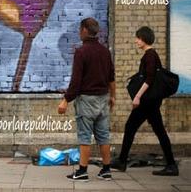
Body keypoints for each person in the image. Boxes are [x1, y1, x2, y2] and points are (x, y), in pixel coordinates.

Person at [111, 26, 179, 176]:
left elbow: (149, 79)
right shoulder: (151, 55)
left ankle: (122, 161)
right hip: (151, 102)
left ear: (143, 39)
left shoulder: (150, 55)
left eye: (137, 38)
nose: (136, 41)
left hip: (147, 102)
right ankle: (171, 164)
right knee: (158, 131)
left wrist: (137, 97)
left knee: (131, 126)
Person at [58, 18, 116, 181]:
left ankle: (82, 171)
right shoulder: (105, 51)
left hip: (86, 100)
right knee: (103, 136)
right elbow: (111, 77)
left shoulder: (81, 52)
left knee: (84, 137)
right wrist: (113, 96)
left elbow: (76, 81)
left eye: (79, 29)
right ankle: (106, 170)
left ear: (84, 30)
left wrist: (65, 100)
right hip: (103, 99)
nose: (78, 32)